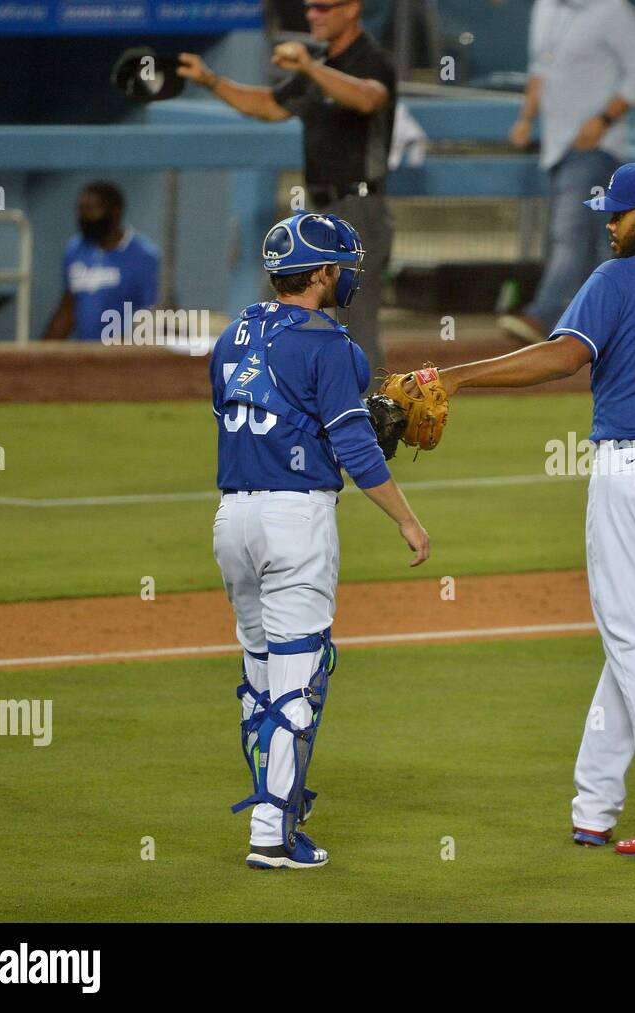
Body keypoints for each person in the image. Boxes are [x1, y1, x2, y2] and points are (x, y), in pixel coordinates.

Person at [428, 163, 635, 856]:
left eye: (615, 214)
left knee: (632, 641)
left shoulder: (617, 280)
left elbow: (563, 357)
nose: (607, 226)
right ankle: (595, 804)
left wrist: (457, 376)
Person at [211, 211, 429, 870]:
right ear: (325, 272)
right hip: (294, 523)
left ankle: (276, 801)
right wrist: (407, 519)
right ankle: (272, 832)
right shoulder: (331, 344)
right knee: (298, 679)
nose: (348, 275)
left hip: (232, 521)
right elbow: (357, 448)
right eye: (343, 265)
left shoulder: (233, 335)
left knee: (259, 676)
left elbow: (258, 419)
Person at [179, 0, 397, 375]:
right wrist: (210, 79)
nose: (313, 14)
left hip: (359, 209)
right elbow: (267, 105)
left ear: (352, 8)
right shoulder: (319, 67)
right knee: (282, 314)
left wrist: (310, 67)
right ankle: (279, 417)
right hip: (318, 213)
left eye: (323, 7)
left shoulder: (371, 59)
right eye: (310, 7)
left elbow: (367, 98)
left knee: (355, 327)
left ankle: (370, 424)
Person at [499, 0, 635, 345]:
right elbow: (540, 67)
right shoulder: (545, 7)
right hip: (556, 145)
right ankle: (619, 321)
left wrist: (602, 121)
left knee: (569, 233)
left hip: (594, 146)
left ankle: (542, 314)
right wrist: (526, 119)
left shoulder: (614, 10)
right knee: (594, 242)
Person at [41, 181, 160, 343]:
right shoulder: (75, 249)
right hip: (87, 354)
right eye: (80, 209)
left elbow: (153, 312)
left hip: (126, 355)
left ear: (115, 211)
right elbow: (68, 308)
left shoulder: (144, 256)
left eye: (91, 209)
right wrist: (42, 352)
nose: (83, 216)